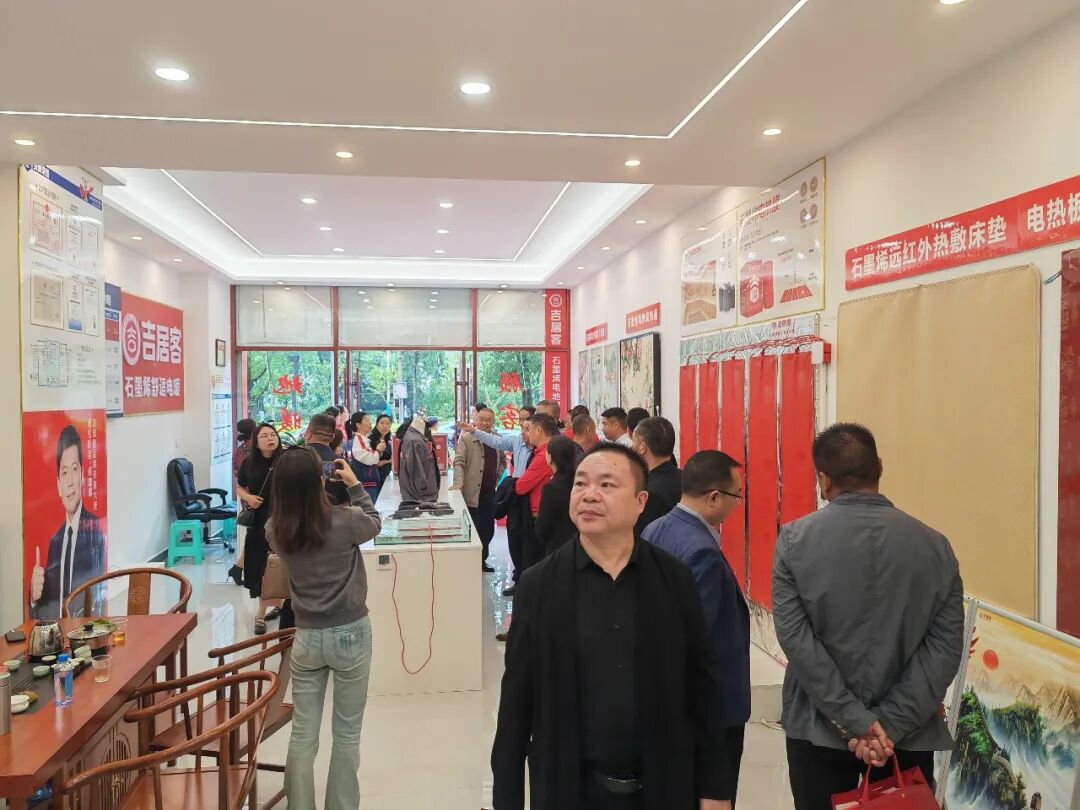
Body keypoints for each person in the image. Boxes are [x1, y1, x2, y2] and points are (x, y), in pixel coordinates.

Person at [491, 443, 733, 810]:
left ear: (640, 502)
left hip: (662, 786)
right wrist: (506, 800)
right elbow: (516, 704)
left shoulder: (673, 579)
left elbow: (702, 687)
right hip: (570, 790)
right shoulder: (539, 586)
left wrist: (715, 789)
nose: (589, 495)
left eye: (606, 485)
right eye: (581, 484)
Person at [772, 423, 965, 810]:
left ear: (823, 480)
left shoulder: (794, 541)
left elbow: (798, 643)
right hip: (906, 738)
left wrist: (857, 722)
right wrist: (888, 726)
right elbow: (944, 649)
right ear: (880, 467)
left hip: (819, 729)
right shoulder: (935, 546)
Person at [266, 447, 380, 810]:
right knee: (346, 734)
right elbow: (374, 521)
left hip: (306, 637)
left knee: (303, 732)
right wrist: (355, 485)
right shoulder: (345, 521)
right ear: (320, 480)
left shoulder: (275, 530)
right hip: (350, 632)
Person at [643, 451, 750, 803]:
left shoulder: (656, 527)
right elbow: (694, 638)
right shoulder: (701, 550)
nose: (737, 504)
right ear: (714, 497)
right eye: (736, 496)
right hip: (710, 708)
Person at [29, 424, 106, 620]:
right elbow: (45, 612)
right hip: (58, 635)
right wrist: (34, 597)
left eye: (74, 469)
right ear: (58, 486)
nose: (70, 481)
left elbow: (98, 600)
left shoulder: (95, 530)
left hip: (85, 633)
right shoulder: (55, 542)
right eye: (64, 473)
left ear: (82, 476)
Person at [236, 423, 285, 636]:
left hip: (283, 520)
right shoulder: (249, 463)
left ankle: (271, 610)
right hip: (259, 522)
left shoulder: (286, 460)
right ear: (256, 442)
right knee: (262, 568)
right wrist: (248, 497)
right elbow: (239, 487)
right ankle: (262, 613)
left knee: (281, 566)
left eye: (273, 434)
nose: (270, 438)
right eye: (264, 436)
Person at [451, 406, 506, 572]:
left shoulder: (497, 439)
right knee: (473, 529)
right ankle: (471, 563)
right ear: (476, 420)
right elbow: (459, 462)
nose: (485, 423)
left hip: (490, 493)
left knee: (488, 530)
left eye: (489, 420)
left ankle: (482, 560)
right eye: (481, 419)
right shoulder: (467, 438)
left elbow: (503, 461)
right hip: (472, 494)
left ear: (493, 421)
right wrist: (458, 482)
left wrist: (497, 476)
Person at [513, 413, 558, 569]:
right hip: (543, 511)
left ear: (538, 430)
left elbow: (520, 487)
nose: (527, 433)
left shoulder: (545, 454)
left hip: (538, 514)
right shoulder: (546, 450)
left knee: (533, 561)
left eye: (529, 429)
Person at [632, 417, 682, 535]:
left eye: (633, 442)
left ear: (642, 447)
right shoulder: (688, 480)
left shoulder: (646, 492)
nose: (631, 448)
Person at [461, 404, 537, 476]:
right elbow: (495, 441)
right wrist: (474, 431)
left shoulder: (539, 446)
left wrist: (497, 476)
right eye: (520, 419)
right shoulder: (516, 440)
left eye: (526, 419)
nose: (522, 423)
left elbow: (502, 460)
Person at [534, 435, 578, 555]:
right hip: (578, 545)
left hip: (558, 547)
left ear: (550, 457)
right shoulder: (578, 481)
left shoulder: (551, 488)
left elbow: (543, 527)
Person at [228, 417, 258, 587]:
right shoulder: (256, 450)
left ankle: (239, 567)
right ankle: (240, 568)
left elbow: (237, 474)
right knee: (259, 535)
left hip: (246, 496)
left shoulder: (239, 451)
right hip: (257, 497)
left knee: (256, 535)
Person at [304, 413, 350, 505]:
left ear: (308, 434)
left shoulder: (290, 459)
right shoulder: (342, 463)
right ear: (332, 437)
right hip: (336, 511)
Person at [398, 414, 440, 502]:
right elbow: (415, 471)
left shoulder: (416, 438)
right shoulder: (414, 441)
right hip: (420, 497)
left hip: (421, 496)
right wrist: (424, 489)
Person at [368, 414, 394, 501]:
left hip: (386, 475)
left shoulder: (388, 440)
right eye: (382, 423)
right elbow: (373, 462)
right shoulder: (371, 440)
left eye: (387, 423)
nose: (385, 426)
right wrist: (389, 461)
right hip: (375, 478)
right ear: (376, 425)